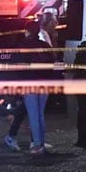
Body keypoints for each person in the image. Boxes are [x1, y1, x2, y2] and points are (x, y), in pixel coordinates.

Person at [16, 21, 55, 156]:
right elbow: (53, 63)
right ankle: (41, 143)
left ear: (27, 30)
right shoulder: (45, 46)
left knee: (33, 115)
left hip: (30, 82)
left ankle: (38, 145)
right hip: (44, 82)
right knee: (40, 114)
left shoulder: (23, 45)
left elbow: (19, 66)